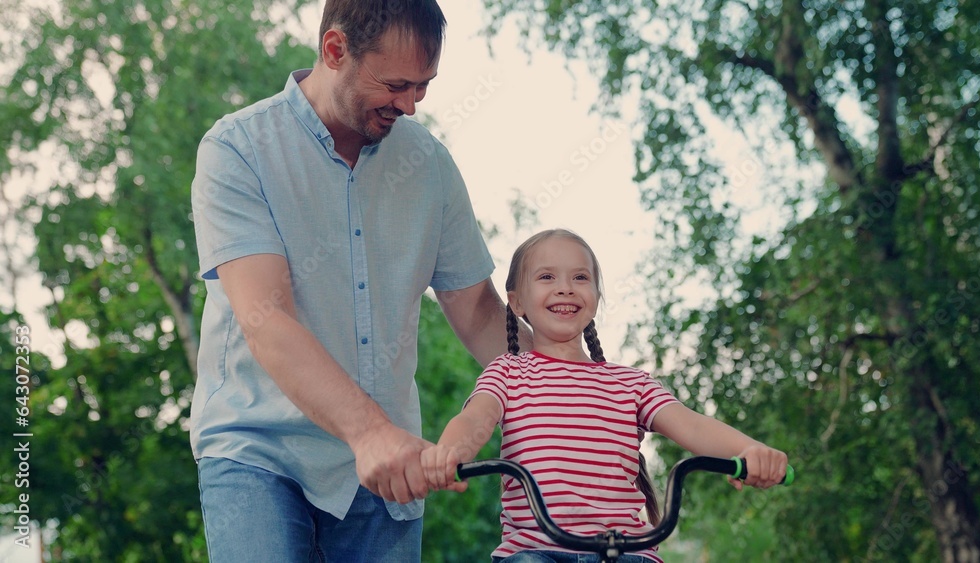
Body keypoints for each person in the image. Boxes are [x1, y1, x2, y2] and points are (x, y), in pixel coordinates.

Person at [189, 1, 521, 561]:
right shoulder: (237, 150)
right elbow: (266, 320)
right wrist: (369, 433)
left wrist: (586, 399)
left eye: (423, 86)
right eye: (396, 85)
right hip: (259, 453)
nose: (412, 105)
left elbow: (481, 313)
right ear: (335, 50)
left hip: (387, 474)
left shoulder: (430, 166)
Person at [421, 229, 788, 563]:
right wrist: (450, 453)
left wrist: (749, 451)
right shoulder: (509, 372)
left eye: (580, 278)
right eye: (547, 277)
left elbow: (691, 424)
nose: (565, 288)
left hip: (627, 551)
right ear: (517, 303)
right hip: (536, 552)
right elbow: (476, 419)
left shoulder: (630, 384)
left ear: (596, 295)